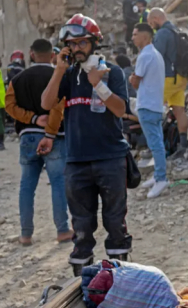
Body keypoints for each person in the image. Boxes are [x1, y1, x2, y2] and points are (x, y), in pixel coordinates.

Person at [41, 14, 132, 276]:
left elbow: (120, 110)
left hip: (111, 158)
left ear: (94, 43)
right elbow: (46, 104)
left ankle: (121, 278)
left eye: (82, 43)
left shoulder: (112, 72)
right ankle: (82, 285)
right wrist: (58, 69)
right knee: (81, 229)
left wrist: (99, 86)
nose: (77, 48)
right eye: (72, 44)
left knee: (116, 225)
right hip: (77, 161)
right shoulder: (67, 76)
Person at [5, 39, 72, 246]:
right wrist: (50, 133)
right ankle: (62, 230)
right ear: (53, 56)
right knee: (58, 184)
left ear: (31, 54)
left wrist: (32, 119)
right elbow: (58, 108)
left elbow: (9, 106)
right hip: (55, 138)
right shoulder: (57, 77)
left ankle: (25, 234)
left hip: (27, 136)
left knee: (27, 186)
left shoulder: (17, 79)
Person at [129, 23, 169, 199]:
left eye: (135, 34)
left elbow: (135, 81)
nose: (133, 37)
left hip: (147, 104)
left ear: (144, 36)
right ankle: (158, 176)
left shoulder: (145, 55)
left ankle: (161, 178)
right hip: (155, 104)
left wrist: (131, 78)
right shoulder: (156, 54)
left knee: (155, 144)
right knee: (157, 143)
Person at [148, 8, 188, 154]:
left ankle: (155, 147)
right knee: (179, 110)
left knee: (151, 109)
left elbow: (156, 57)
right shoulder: (176, 30)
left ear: (156, 18)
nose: (151, 26)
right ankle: (183, 145)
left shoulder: (162, 33)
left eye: (151, 22)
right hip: (181, 77)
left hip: (168, 77)